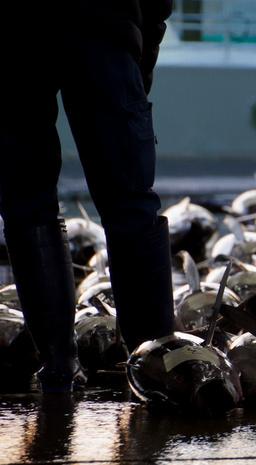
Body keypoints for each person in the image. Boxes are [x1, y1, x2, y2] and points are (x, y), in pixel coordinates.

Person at [0, 1, 176, 392]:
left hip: (13, 35)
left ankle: (59, 368)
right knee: (129, 198)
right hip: (105, 26)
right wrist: (140, 61)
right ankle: (156, 366)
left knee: (27, 201)